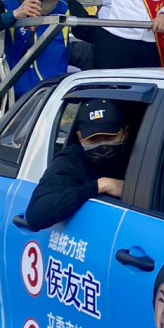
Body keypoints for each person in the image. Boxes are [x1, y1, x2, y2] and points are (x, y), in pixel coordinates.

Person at [23, 99, 130, 231]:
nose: (102, 144)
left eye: (109, 137)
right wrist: (99, 186)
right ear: (80, 138)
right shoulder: (71, 161)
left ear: (125, 133)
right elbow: (36, 215)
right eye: (93, 139)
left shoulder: (143, 157)